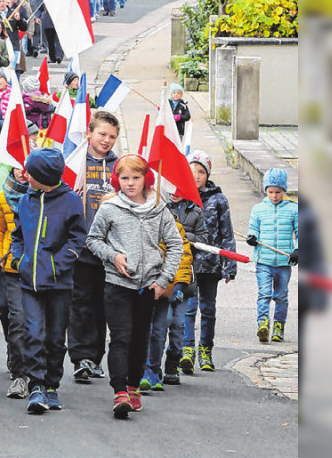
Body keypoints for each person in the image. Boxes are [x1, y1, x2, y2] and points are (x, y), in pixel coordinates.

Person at [85, 155, 183, 419]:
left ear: (146, 179)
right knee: (121, 337)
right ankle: (119, 392)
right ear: (117, 180)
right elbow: (93, 239)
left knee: (141, 339)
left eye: (136, 178)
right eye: (125, 178)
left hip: (148, 286)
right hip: (117, 284)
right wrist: (112, 255)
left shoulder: (159, 208)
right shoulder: (109, 207)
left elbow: (175, 245)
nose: (130, 183)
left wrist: (163, 280)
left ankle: (133, 385)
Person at [11, 148, 87, 414]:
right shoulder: (26, 200)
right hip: (29, 282)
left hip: (59, 283)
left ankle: (52, 384)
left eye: (30, 171)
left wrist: (57, 265)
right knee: (32, 334)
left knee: (55, 338)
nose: (25, 175)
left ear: (43, 176)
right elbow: (17, 235)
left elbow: (77, 238)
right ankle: (36, 385)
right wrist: (18, 260)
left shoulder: (70, 202)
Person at [69, 112, 119, 384]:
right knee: (80, 303)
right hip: (80, 246)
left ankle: (96, 356)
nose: (106, 140)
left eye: (112, 136)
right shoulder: (77, 162)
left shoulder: (119, 166)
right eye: (102, 134)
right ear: (89, 133)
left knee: (103, 305)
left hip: (109, 250)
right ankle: (81, 356)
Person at [181, 151, 236, 373]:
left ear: (208, 174)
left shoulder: (218, 199)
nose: (196, 176)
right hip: (188, 264)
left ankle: (206, 350)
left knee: (208, 309)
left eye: (201, 171)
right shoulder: (182, 196)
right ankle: (187, 349)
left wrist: (230, 264)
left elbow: (227, 233)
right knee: (188, 308)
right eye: (192, 171)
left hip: (211, 264)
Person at [140, 191, 197, 390]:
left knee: (159, 330)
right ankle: (143, 369)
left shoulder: (176, 228)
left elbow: (183, 258)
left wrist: (179, 285)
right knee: (144, 331)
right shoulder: (140, 225)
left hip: (166, 288)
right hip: (142, 286)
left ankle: (154, 370)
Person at [0, 161, 31, 398]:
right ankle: (13, 348)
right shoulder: (3, 197)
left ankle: (20, 370)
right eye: (18, 167)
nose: (23, 173)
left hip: (30, 268)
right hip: (6, 265)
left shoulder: (41, 196)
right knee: (4, 309)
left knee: (20, 320)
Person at [246, 168, 298, 343]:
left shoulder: (294, 209)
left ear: (284, 190)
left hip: (284, 262)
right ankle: (263, 323)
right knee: (264, 293)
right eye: (270, 192)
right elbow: (253, 229)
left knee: (281, 295)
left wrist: (297, 250)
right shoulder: (258, 209)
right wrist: (252, 238)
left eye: (278, 192)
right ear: (265, 190)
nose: (274, 196)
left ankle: (278, 325)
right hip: (264, 261)